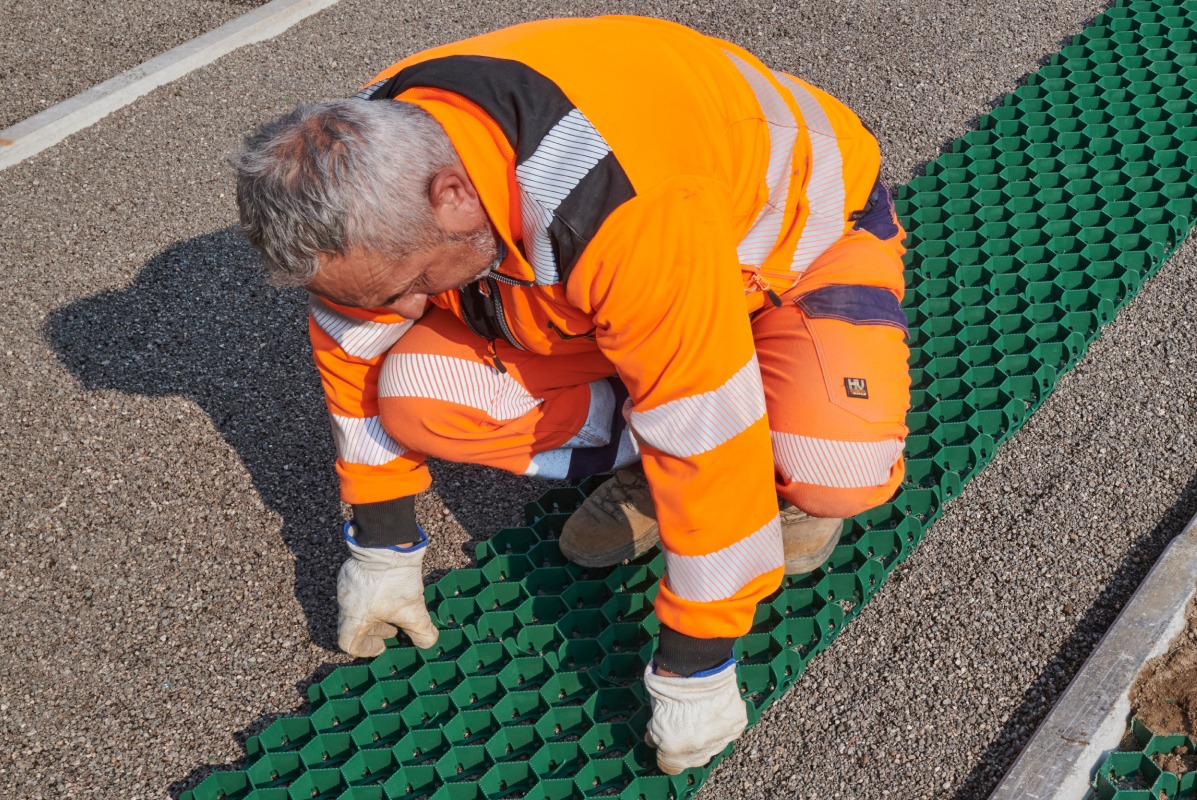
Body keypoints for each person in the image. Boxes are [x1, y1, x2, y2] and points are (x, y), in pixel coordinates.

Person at [231, 16, 911, 773]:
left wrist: (697, 665)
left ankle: (768, 458)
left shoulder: (624, 205)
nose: (402, 311)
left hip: (789, 249)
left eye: (414, 284)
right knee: (420, 394)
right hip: (601, 273)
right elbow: (353, 343)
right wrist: (381, 544)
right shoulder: (363, 160)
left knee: (830, 470)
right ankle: (652, 447)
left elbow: (707, 427)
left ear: (454, 196)